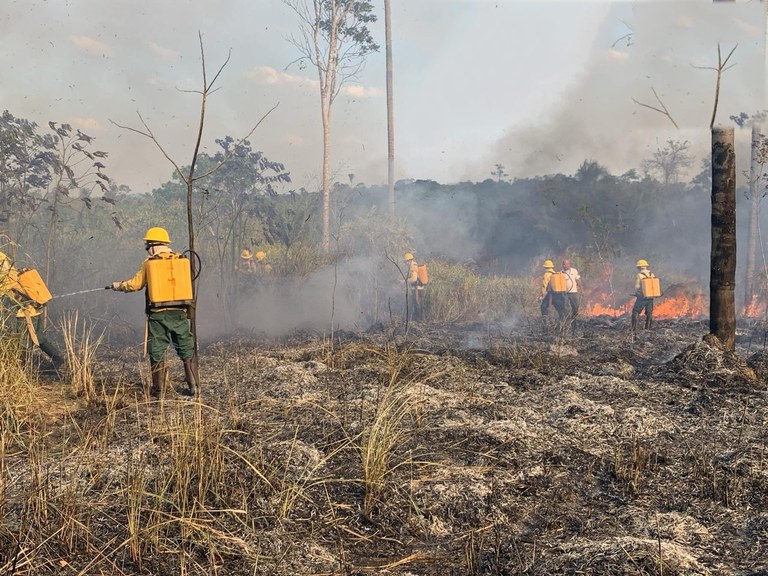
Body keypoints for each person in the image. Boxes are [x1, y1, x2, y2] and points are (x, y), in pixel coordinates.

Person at [110, 227, 198, 398]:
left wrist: (119, 286)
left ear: (152, 245)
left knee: (157, 351)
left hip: (158, 314)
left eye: (147, 245)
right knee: (186, 348)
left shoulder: (150, 262)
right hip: (180, 312)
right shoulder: (182, 259)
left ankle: (159, 390)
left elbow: (135, 285)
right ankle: (194, 386)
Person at [0, 250, 65, 370]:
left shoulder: (7, 275)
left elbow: (4, 286)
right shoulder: (6, 263)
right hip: (34, 309)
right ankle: (58, 359)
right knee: (39, 338)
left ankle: (22, 371)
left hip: (26, 313)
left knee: (22, 343)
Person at [553, 258, 581, 322]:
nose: (564, 266)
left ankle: (574, 318)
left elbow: (578, 280)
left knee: (576, 307)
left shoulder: (574, 271)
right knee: (565, 308)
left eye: (565, 264)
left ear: (569, 264)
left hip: (573, 292)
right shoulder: (560, 273)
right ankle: (566, 320)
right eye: (563, 264)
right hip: (564, 294)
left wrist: (582, 289)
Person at [632, 259, 655, 332]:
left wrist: (636, 292)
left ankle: (634, 329)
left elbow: (637, 286)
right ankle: (648, 328)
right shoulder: (652, 274)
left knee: (635, 311)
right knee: (649, 313)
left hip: (642, 297)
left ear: (639, 267)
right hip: (651, 296)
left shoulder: (639, 275)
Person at [404, 252, 425, 321]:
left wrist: (405, 281)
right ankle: (417, 319)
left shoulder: (413, 267)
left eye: (406, 262)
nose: (405, 263)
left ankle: (418, 320)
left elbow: (414, 279)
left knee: (416, 304)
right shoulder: (411, 266)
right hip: (416, 288)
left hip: (417, 289)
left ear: (409, 260)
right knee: (415, 304)